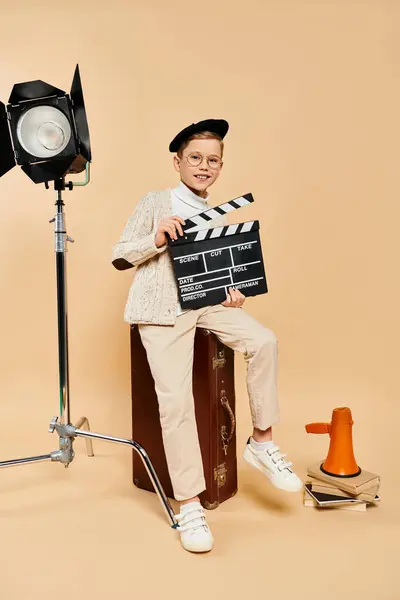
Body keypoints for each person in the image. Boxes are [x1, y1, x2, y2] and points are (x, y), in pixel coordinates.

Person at [112, 118, 302, 553]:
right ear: (177, 161)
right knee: (176, 403)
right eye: (195, 158)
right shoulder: (155, 201)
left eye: (212, 160)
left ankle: (262, 443)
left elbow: (220, 271)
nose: (203, 166)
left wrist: (234, 291)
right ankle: (189, 504)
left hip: (207, 305)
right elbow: (119, 255)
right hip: (161, 313)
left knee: (264, 341)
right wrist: (156, 238)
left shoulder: (217, 211)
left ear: (221, 166)